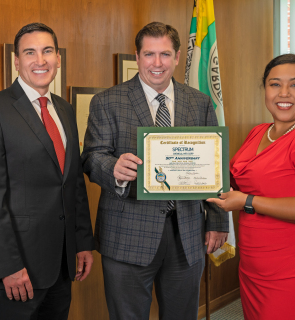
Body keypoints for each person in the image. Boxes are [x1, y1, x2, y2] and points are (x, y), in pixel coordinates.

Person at [81, 21, 229, 320]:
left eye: (165, 54)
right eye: (149, 54)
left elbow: (215, 164)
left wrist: (217, 220)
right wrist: (114, 168)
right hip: (127, 235)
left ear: (177, 57)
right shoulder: (107, 101)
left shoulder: (199, 103)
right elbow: (92, 157)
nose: (157, 63)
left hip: (187, 234)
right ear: (137, 57)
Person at [0, 22, 94, 320]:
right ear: (16, 61)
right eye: (30, 52)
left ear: (58, 58)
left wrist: (83, 242)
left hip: (61, 266)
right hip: (15, 269)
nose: (40, 60)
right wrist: (8, 266)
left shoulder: (64, 109)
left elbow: (72, 183)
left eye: (48, 51)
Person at [207, 54, 295, 320]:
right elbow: (235, 181)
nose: (284, 93)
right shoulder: (259, 131)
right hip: (254, 268)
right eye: (274, 84)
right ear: (265, 89)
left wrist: (248, 201)